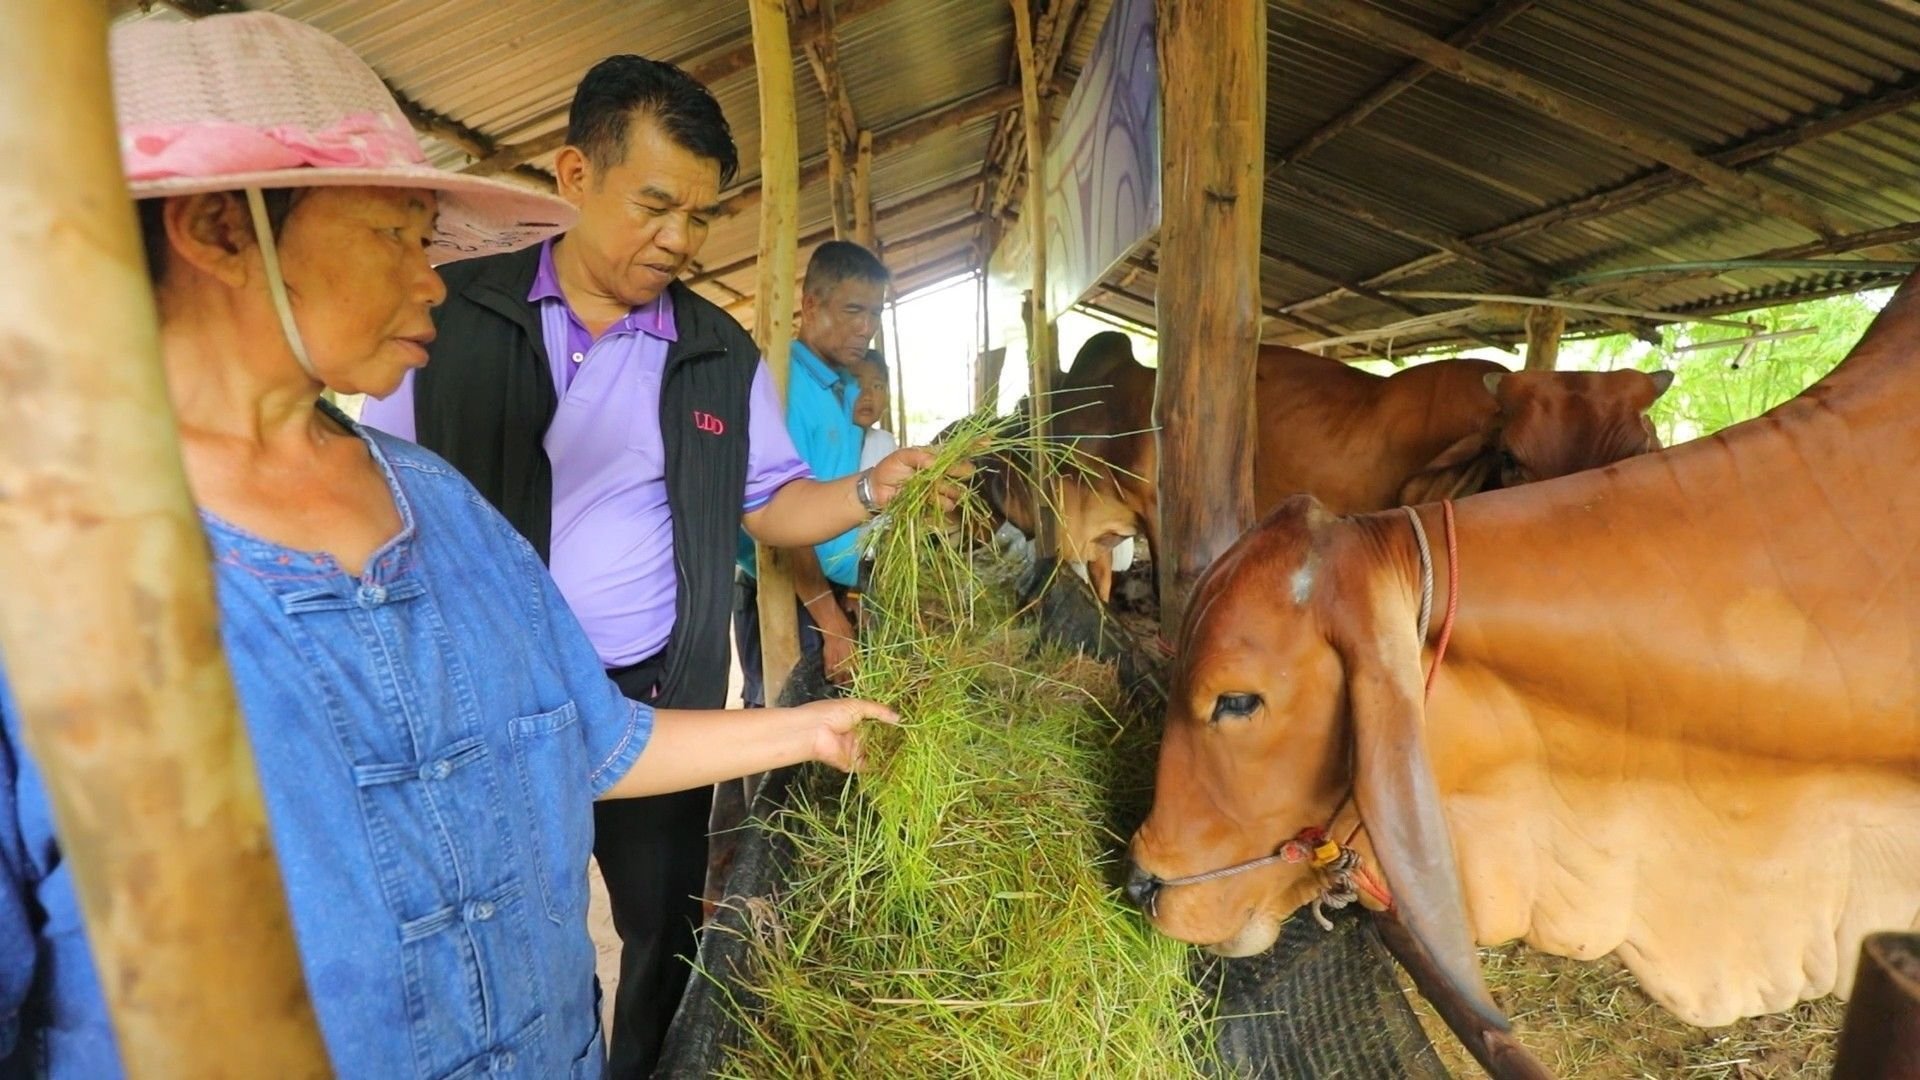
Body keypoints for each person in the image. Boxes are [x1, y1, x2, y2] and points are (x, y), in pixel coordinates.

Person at [0, 14, 894, 1078]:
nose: (430, 280)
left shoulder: (441, 507)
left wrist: (811, 731)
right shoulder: (47, 583)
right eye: (396, 235)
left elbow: (591, 738)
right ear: (218, 230)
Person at [355, 57, 936, 1077]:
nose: (679, 238)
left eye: (701, 217)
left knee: (661, 931)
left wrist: (872, 489)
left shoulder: (716, 349)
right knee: (520, 921)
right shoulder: (445, 315)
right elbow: (377, 496)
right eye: (656, 205)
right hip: (488, 701)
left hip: (656, 691)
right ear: (575, 174)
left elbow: (771, 506)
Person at [731, 243, 889, 704]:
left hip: (826, 592)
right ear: (811, 304)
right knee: (776, 724)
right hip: (787, 594)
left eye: (875, 313)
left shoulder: (842, 383)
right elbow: (783, 507)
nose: (867, 328)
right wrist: (831, 622)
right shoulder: (787, 386)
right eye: (853, 310)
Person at [854, 349, 899, 470]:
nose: (867, 395)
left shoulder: (885, 443)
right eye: (857, 384)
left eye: (877, 386)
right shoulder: (826, 440)